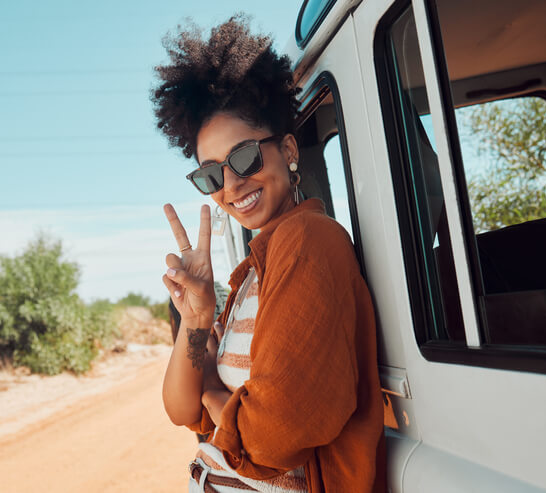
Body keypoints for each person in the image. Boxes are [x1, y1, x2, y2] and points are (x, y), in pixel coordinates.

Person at [151, 15, 385, 493]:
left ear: (289, 149)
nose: (232, 185)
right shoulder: (250, 274)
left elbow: (271, 436)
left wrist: (215, 393)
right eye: (211, 175)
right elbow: (180, 409)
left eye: (244, 157)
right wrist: (196, 322)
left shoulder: (310, 242)